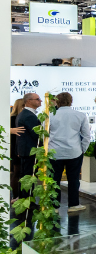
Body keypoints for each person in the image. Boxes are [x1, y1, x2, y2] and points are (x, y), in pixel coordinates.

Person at [48, 92, 91, 215]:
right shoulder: (80, 115)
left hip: (54, 152)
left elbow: (44, 134)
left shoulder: (50, 116)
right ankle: (73, 204)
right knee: (74, 179)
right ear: (71, 101)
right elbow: (86, 135)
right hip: (74, 151)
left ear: (57, 101)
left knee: (54, 179)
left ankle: (54, 206)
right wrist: (82, 149)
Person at [10, 94, 38, 231]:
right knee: (27, 176)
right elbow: (36, 133)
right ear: (29, 101)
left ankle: (24, 199)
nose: (40, 101)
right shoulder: (28, 115)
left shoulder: (23, 114)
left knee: (24, 175)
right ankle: (27, 201)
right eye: (37, 99)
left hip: (24, 150)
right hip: (28, 150)